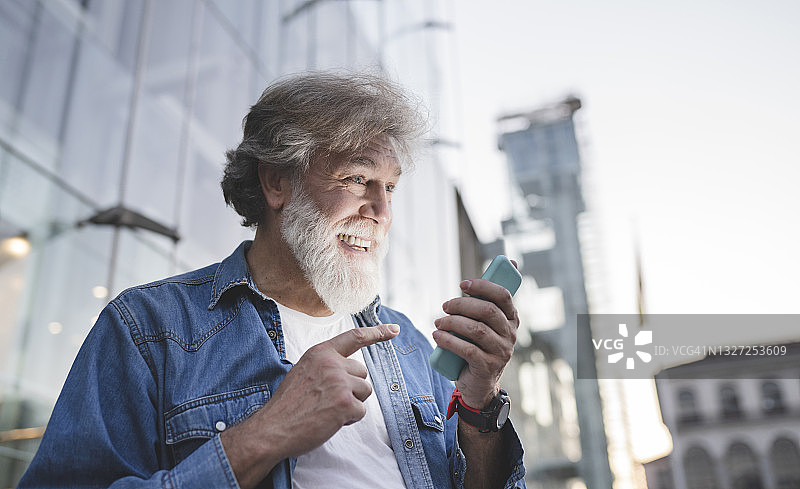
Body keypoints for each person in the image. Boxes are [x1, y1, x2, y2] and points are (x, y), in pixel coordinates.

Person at [19, 72, 526, 489]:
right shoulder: (147, 328)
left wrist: (480, 404)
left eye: (390, 187)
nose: (381, 211)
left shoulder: (412, 347)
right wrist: (266, 432)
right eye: (357, 179)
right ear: (277, 181)